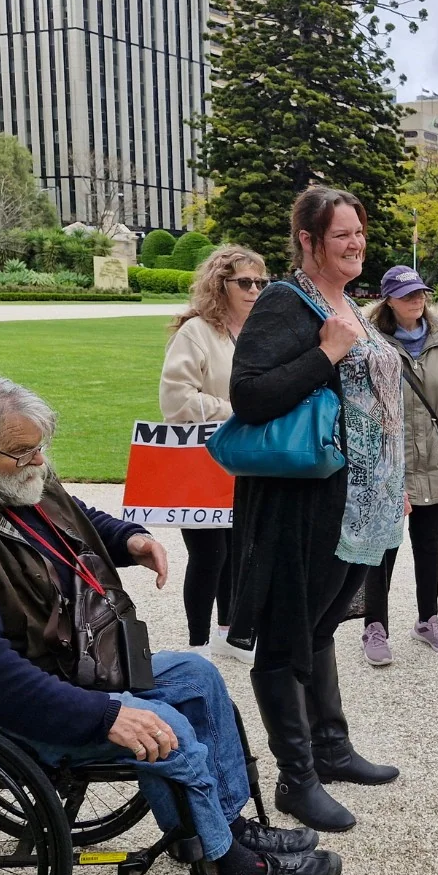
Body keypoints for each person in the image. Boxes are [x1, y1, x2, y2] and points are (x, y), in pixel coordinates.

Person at [0, 374, 341, 875]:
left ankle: (225, 824)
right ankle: (231, 864)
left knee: (198, 676)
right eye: (20, 453)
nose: (37, 462)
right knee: (166, 725)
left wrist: (128, 538)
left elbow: (75, 518)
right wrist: (106, 715)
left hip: (56, 659)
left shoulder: (8, 484)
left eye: (39, 446)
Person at [229, 186, 404, 833]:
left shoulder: (347, 303)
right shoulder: (284, 302)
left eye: (359, 232)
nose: (355, 244)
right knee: (285, 639)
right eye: (341, 236)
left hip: (359, 504)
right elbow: (248, 397)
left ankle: (330, 749)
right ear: (307, 240)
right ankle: (296, 781)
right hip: (299, 508)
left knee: (323, 625)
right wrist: (326, 353)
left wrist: (394, 480)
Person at [360, 266, 438, 666]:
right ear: (388, 300)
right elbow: (363, 412)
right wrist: (379, 472)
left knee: (428, 542)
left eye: (420, 294)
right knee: (382, 547)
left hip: (432, 457)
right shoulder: (369, 342)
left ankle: (427, 618)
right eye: (406, 295)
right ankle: (374, 625)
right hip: (389, 461)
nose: (416, 301)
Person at [159, 245, 271, 665]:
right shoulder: (197, 331)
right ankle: (198, 641)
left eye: (260, 282)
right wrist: (237, 409)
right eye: (244, 281)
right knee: (210, 554)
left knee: (240, 547)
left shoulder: (259, 332)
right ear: (218, 284)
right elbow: (176, 400)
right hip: (200, 458)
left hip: (246, 458)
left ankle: (229, 632)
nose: (254, 289)